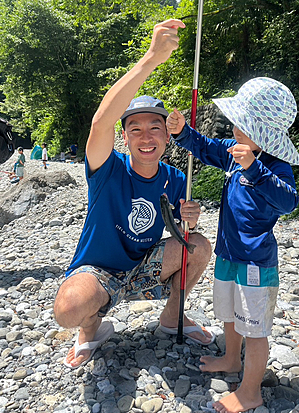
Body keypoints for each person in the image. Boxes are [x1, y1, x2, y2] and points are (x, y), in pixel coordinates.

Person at [53, 19, 213, 369]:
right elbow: (100, 123)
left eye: (155, 128)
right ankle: (92, 329)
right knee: (67, 309)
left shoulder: (174, 176)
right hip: (99, 270)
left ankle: (173, 318)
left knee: (199, 245)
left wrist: (187, 219)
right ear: (124, 137)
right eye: (135, 129)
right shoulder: (107, 168)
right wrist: (151, 59)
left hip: (145, 266)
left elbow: (178, 232)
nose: (146, 137)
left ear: (166, 137)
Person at [166, 77, 299, 413]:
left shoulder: (273, 166)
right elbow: (206, 147)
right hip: (228, 253)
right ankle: (230, 357)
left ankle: (251, 391)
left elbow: (289, 202)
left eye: (246, 124)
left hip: (256, 261)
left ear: (266, 134)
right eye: (238, 121)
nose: (236, 128)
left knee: (254, 327)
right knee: (229, 312)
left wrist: (253, 168)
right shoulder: (233, 151)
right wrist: (182, 132)